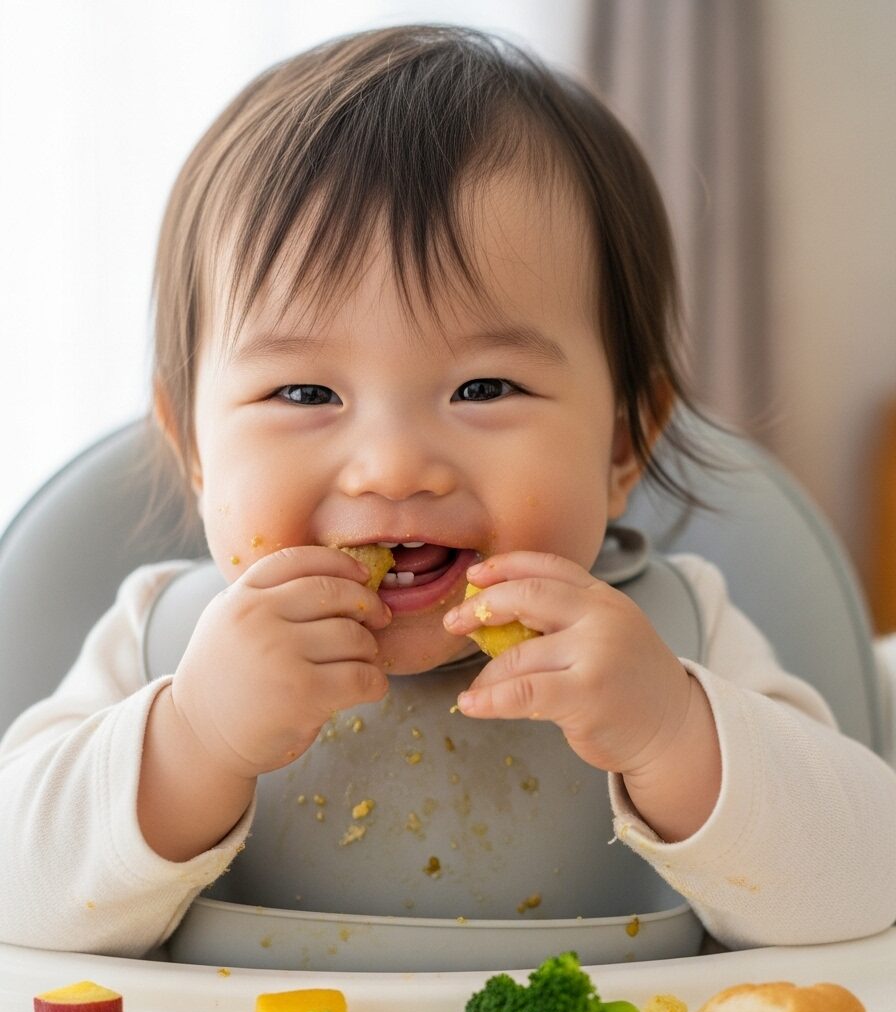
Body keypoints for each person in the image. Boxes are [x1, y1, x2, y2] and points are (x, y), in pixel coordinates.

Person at [1, 24, 894, 960]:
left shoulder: (676, 638)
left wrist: (674, 736)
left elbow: (867, 883)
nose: (391, 468)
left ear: (623, 443)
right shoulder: (161, 648)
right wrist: (190, 744)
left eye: (484, 389)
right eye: (305, 393)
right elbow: (15, 897)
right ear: (192, 446)